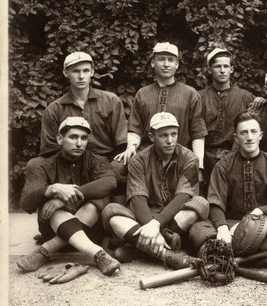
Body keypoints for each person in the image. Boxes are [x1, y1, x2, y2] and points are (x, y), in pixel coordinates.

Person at [189, 111, 267, 272]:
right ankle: (263, 258)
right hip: (231, 225)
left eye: (253, 132)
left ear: (260, 135)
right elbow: (215, 201)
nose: (249, 137)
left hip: (264, 227)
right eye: (243, 132)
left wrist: (260, 211)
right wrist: (222, 228)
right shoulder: (223, 165)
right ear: (236, 137)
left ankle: (226, 256)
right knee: (198, 230)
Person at [101, 112, 209, 268]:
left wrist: (156, 224)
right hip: (144, 219)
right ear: (152, 136)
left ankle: (140, 250)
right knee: (111, 211)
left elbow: (184, 196)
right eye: (163, 135)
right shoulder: (139, 160)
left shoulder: (189, 158)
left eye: (174, 134)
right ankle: (168, 254)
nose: (170, 140)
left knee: (200, 204)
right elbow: (137, 197)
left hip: (175, 219)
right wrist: (152, 226)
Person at [18, 117, 120, 276]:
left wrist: (65, 198)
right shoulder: (44, 166)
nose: (79, 143)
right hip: (53, 228)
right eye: (73, 137)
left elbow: (110, 182)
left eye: (84, 138)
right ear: (60, 139)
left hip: (90, 232)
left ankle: (46, 251)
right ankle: (98, 255)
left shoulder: (96, 160)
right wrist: (52, 190)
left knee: (98, 199)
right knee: (50, 204)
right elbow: (26, 203)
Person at [26, 51, 128, 201]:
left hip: (102, 160)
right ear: (66, 72)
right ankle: (48, 214)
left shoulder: (111, 100)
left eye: (86, 71)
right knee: (33, 164)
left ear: (92, 72)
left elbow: (121, 143)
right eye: (75, 71)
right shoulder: (54, 108)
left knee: (119, 165)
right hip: (68, 160)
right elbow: (49, 150)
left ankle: (117, 210)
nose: (81, 76)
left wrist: (106, 164)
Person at [115, 42, 207, 184]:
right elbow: (135, 127)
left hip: (178, 153)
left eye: (171, 60)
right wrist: (131, 147)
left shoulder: (190, 94)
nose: (166, 64)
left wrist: (198, 164)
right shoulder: (142, 93)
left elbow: (197, 132)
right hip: (146, 153)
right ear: (153, 63)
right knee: (117, 167)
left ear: (177, 65)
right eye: (161, 59)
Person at [199, 48, 255, 179]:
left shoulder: (246, 97)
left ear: (232, 69)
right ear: (209, 69)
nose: (222, 70)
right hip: (205, 156)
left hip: (236, 155)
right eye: (218, 66)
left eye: (226, 66)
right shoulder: (199, 97)